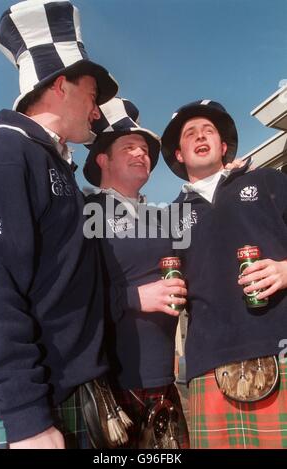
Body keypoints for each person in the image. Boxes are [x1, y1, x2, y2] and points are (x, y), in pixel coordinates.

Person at [0, 0, 118, 449]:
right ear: (60, 85)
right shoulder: (5, 154)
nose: (97, 110)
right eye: (91, 95)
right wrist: (25, 418)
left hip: (73, 393)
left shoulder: (55, 165)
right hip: (36, 412)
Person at [161, 99, 287, 449]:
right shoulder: (168, 216)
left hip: (279, 350)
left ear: (224, 145)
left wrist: (285, 270)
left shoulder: (269, 181)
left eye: (208, 131)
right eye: (190, 134)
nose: (200, 136)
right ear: (180, 154)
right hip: (207, 365)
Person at [83, 97, 189, 449]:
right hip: (110, 390)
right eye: (129, 147)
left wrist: (225, 180)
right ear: (103, 159)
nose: (141, 153)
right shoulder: (83, 213)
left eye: (144, 149)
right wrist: (133, 297)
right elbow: (67, 294)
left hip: (164, 382)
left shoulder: (164, 217)